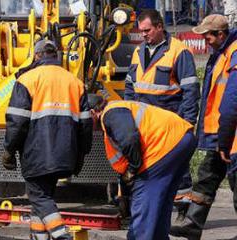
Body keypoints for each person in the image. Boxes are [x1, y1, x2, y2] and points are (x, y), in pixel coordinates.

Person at [3, 39, 93, 240]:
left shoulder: (27, 80)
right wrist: (81, 155)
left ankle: (62, 236)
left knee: (39, 197)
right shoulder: (75, 82)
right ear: (56, 56)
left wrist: (9, 150)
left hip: (37, 153)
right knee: (43, 199)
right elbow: (86, 125)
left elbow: (17, 122)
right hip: (66, 153)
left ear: (36, 56)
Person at [124, 9, 200, 216]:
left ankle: (183, 209)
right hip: (144, 124)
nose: (144, 35)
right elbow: (130, 86)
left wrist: (188, 121)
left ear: (159, 27)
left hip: (170, 122)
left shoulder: (178, 51)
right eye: (141, 31)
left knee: (178, 165)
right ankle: (151, 208)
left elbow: (190, 89)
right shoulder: (138, 52)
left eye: (147, 30)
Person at [89, 96, 197, 240]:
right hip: (180, 138)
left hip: (163, 145)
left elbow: (129, 139)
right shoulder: (117, 112)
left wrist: (133, 169)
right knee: (160, 204)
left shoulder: (111, 112)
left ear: (92, 112)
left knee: (144, 204)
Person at [170, 14, 237, 239]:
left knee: (235, 182)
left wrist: (225, 138)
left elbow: (231, 101)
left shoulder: (233, 53)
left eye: (208, 36)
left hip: (230, 133)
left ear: (221, 34)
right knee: (207, 175)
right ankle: (192, 222)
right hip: (221, 131)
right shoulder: (221, 53)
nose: (205, 40)